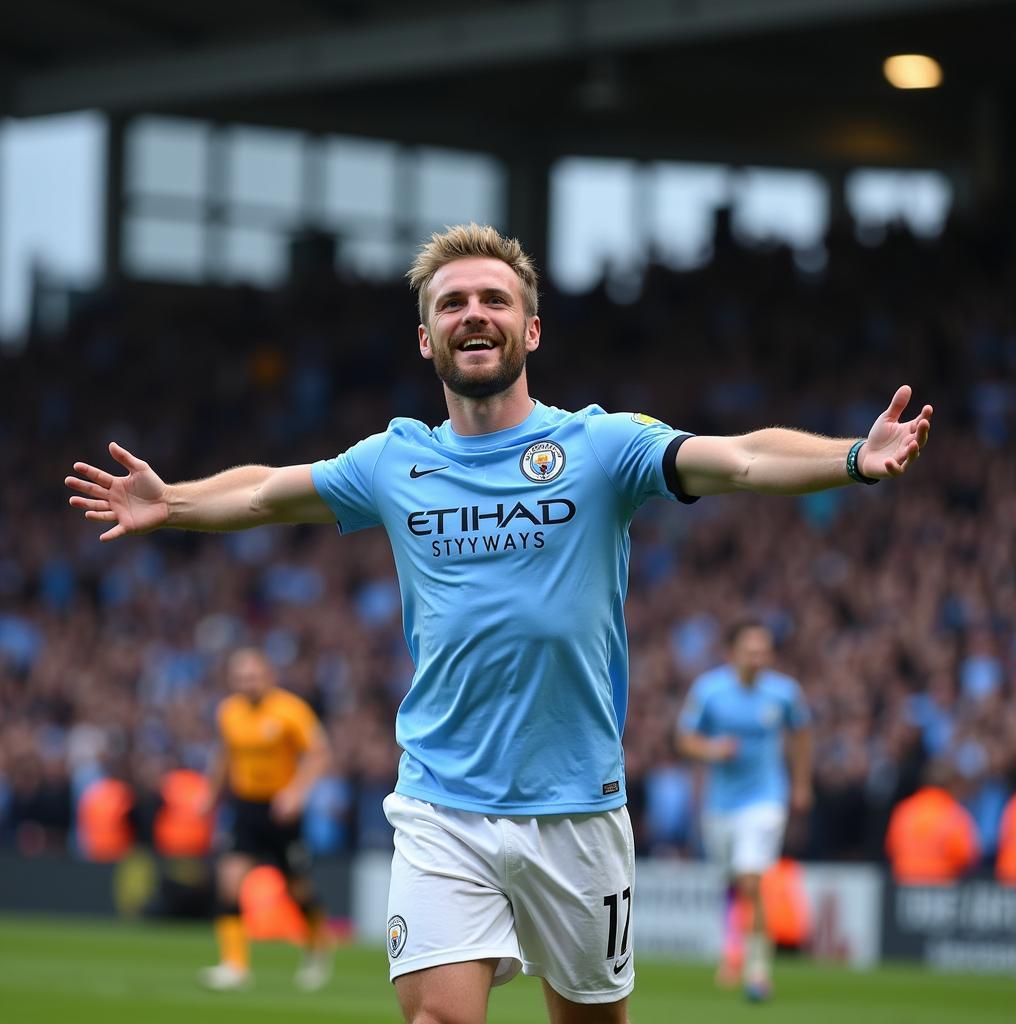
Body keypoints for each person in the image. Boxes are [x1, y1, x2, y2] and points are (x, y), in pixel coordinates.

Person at [66, 223, 932, 1024]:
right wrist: (172, 501)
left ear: (531, 330)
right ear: (425, 338)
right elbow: (263, 490)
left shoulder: (602, 446)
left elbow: (739, 458)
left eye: (493, 301)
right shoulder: (394, 459)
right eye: (452, 303)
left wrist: (851, 458)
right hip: (444, 801)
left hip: (578, 808)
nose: (472, 315)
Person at [676, 621, 812, 1001]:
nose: (758, 657)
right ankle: (732, 951)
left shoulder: (784, 693)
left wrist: (801, 783)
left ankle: (757, 972)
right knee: (732, 883)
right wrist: (712, 750)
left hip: (766, 799)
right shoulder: (709, 690)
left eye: (763, 650)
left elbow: (802, 733)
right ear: (732, 652)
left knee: (752, 881)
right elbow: (684, 739)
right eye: (750, 650)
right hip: (720, 804)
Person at [198, 647, 333, 991]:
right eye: (241, 677)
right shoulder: (228, 712)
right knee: (229, 880)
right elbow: (224, 756)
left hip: (281, 810)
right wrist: (211, 795)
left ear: (268, 676)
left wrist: (297, 793)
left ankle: (317, 951)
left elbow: (319, 754)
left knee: (297, 888)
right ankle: (235, 964)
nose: (248, 683)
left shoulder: (290, 710)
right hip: (246, 807)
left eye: (253, 676)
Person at [885, 758, 980, 885]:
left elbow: (891, 847)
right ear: (952, 785)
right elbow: (965, 856)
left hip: (904, 887)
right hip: (941, 890)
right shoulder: (954, 814)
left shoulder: (904, 810)